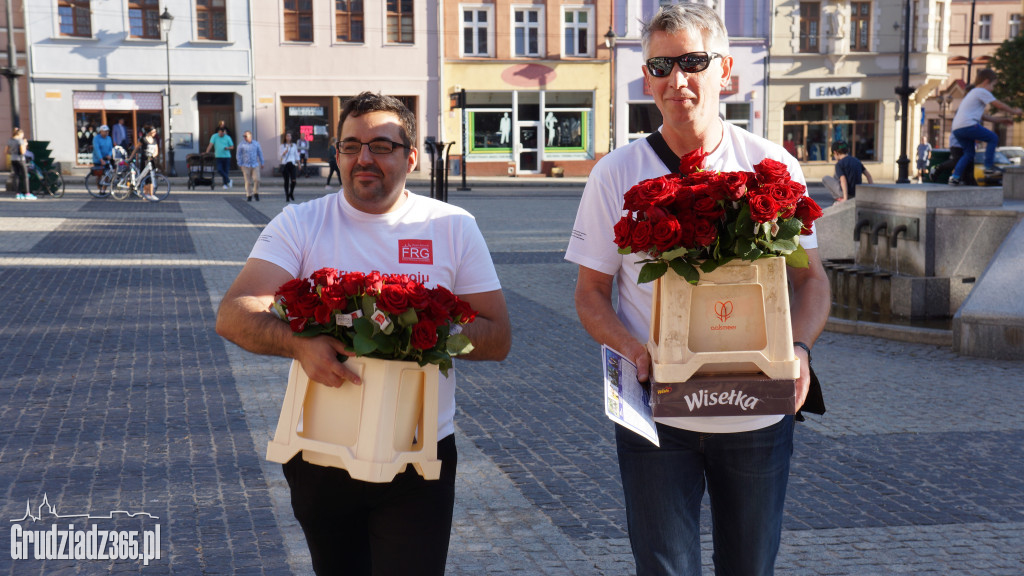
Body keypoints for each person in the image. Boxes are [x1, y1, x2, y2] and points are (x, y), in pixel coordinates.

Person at [564, 5, 831, 575]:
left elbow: (810, 280)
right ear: (646, 76)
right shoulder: (616, 172)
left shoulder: (771, 164)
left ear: (725, 70)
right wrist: (634, 351)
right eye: (661, 64)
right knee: (664, 569)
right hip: (659, 411)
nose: (675, 80)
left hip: (755, 412)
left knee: (749, 567)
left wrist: (801, 351)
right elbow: (590, 294)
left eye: (691, 61)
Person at [215, 91, 511, 576]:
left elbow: (499, 337)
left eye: (381, 145)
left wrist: (429, 326)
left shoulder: (453, 226)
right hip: (321, 452)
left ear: (411, 157)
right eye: (350, 146)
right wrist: (297, 343)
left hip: (419, 454)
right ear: (337, 155)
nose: (363, 158)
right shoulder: (300, 222)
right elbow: (233, 312)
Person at [949, 68, 1023, 186]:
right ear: (986, 81)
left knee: (969, 154)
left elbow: (984, 117)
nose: (992, 89)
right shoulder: (981, 91)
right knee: (993, 138)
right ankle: (988, 166)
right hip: (968, 125)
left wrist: (1001, 120)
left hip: (957, 129)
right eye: (993, 85)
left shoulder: (972, 94)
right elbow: (998, 104)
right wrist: (1014, 111)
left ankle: (955, 177)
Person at [236, 130, 264, 202]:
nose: (245, 138)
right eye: (244, 136)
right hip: (245, 165)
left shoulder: (256, 143)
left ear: (250, 136)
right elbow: (238, 154)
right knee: (248, 181)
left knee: (257, 179)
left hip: (255, 164)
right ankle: (249, 195)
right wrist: (240, 163)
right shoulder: (241, 144)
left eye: (246, 136)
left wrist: (262, 162)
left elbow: (260, 153)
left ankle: (256, 192)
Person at [6, 127, 33, 200]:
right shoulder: (20, 141)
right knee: (25, 176)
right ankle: (27, 193)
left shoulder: (10, 140)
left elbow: (7, 151)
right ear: (20, 134)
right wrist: (25, 144)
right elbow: (22, 152)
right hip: (20, 160)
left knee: (16, 176)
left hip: (13, 159)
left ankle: (18, 193)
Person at [279, 132, 300, 201]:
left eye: (289, 136)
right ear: (285, 137)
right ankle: (287, 196)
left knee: (293, 180)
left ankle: (291, 193)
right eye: (287, 136)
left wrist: (299, 164)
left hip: (292, 164)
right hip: (285, 164)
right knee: (286, 181)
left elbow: (296, 155)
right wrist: (284, 152)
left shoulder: (293, 145)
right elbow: (280, 155)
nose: (288, 137)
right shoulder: (282, 146)